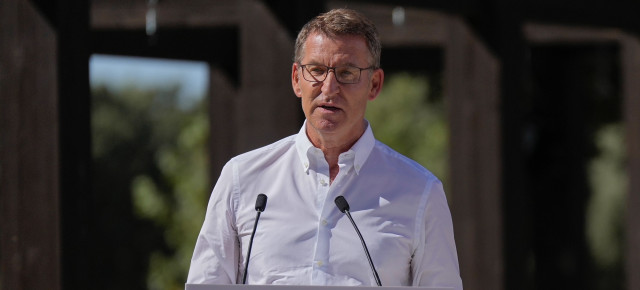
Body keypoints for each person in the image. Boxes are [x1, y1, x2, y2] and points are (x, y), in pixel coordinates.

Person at [187, 8, 463, 289]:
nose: (329, 88)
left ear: (375, 84)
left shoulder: (420, 192)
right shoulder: (242, 179)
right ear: (297, 79)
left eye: (347, 73)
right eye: (316, 70)